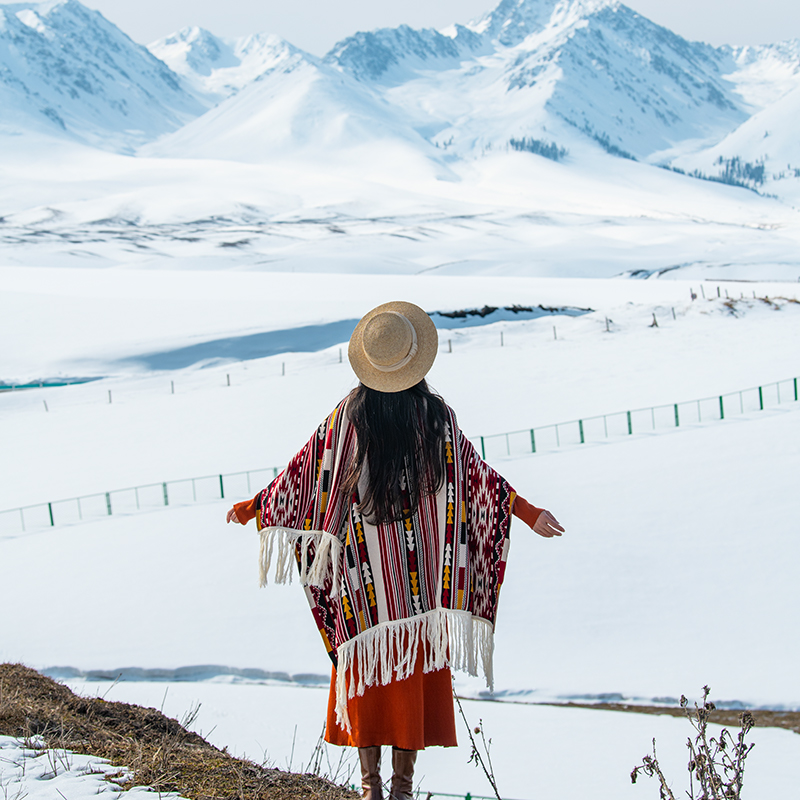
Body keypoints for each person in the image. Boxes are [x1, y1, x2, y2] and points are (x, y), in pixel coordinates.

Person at [227, 301, 564, 800]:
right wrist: (524, 510)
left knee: (367, 666)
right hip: (422, 577)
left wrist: (259, 505)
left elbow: (303, 473)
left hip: (363, 576)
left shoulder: (354, 415)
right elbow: (477, 477)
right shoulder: (432, 415)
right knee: (409, 668)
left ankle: (372, 788)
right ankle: (399, 789)